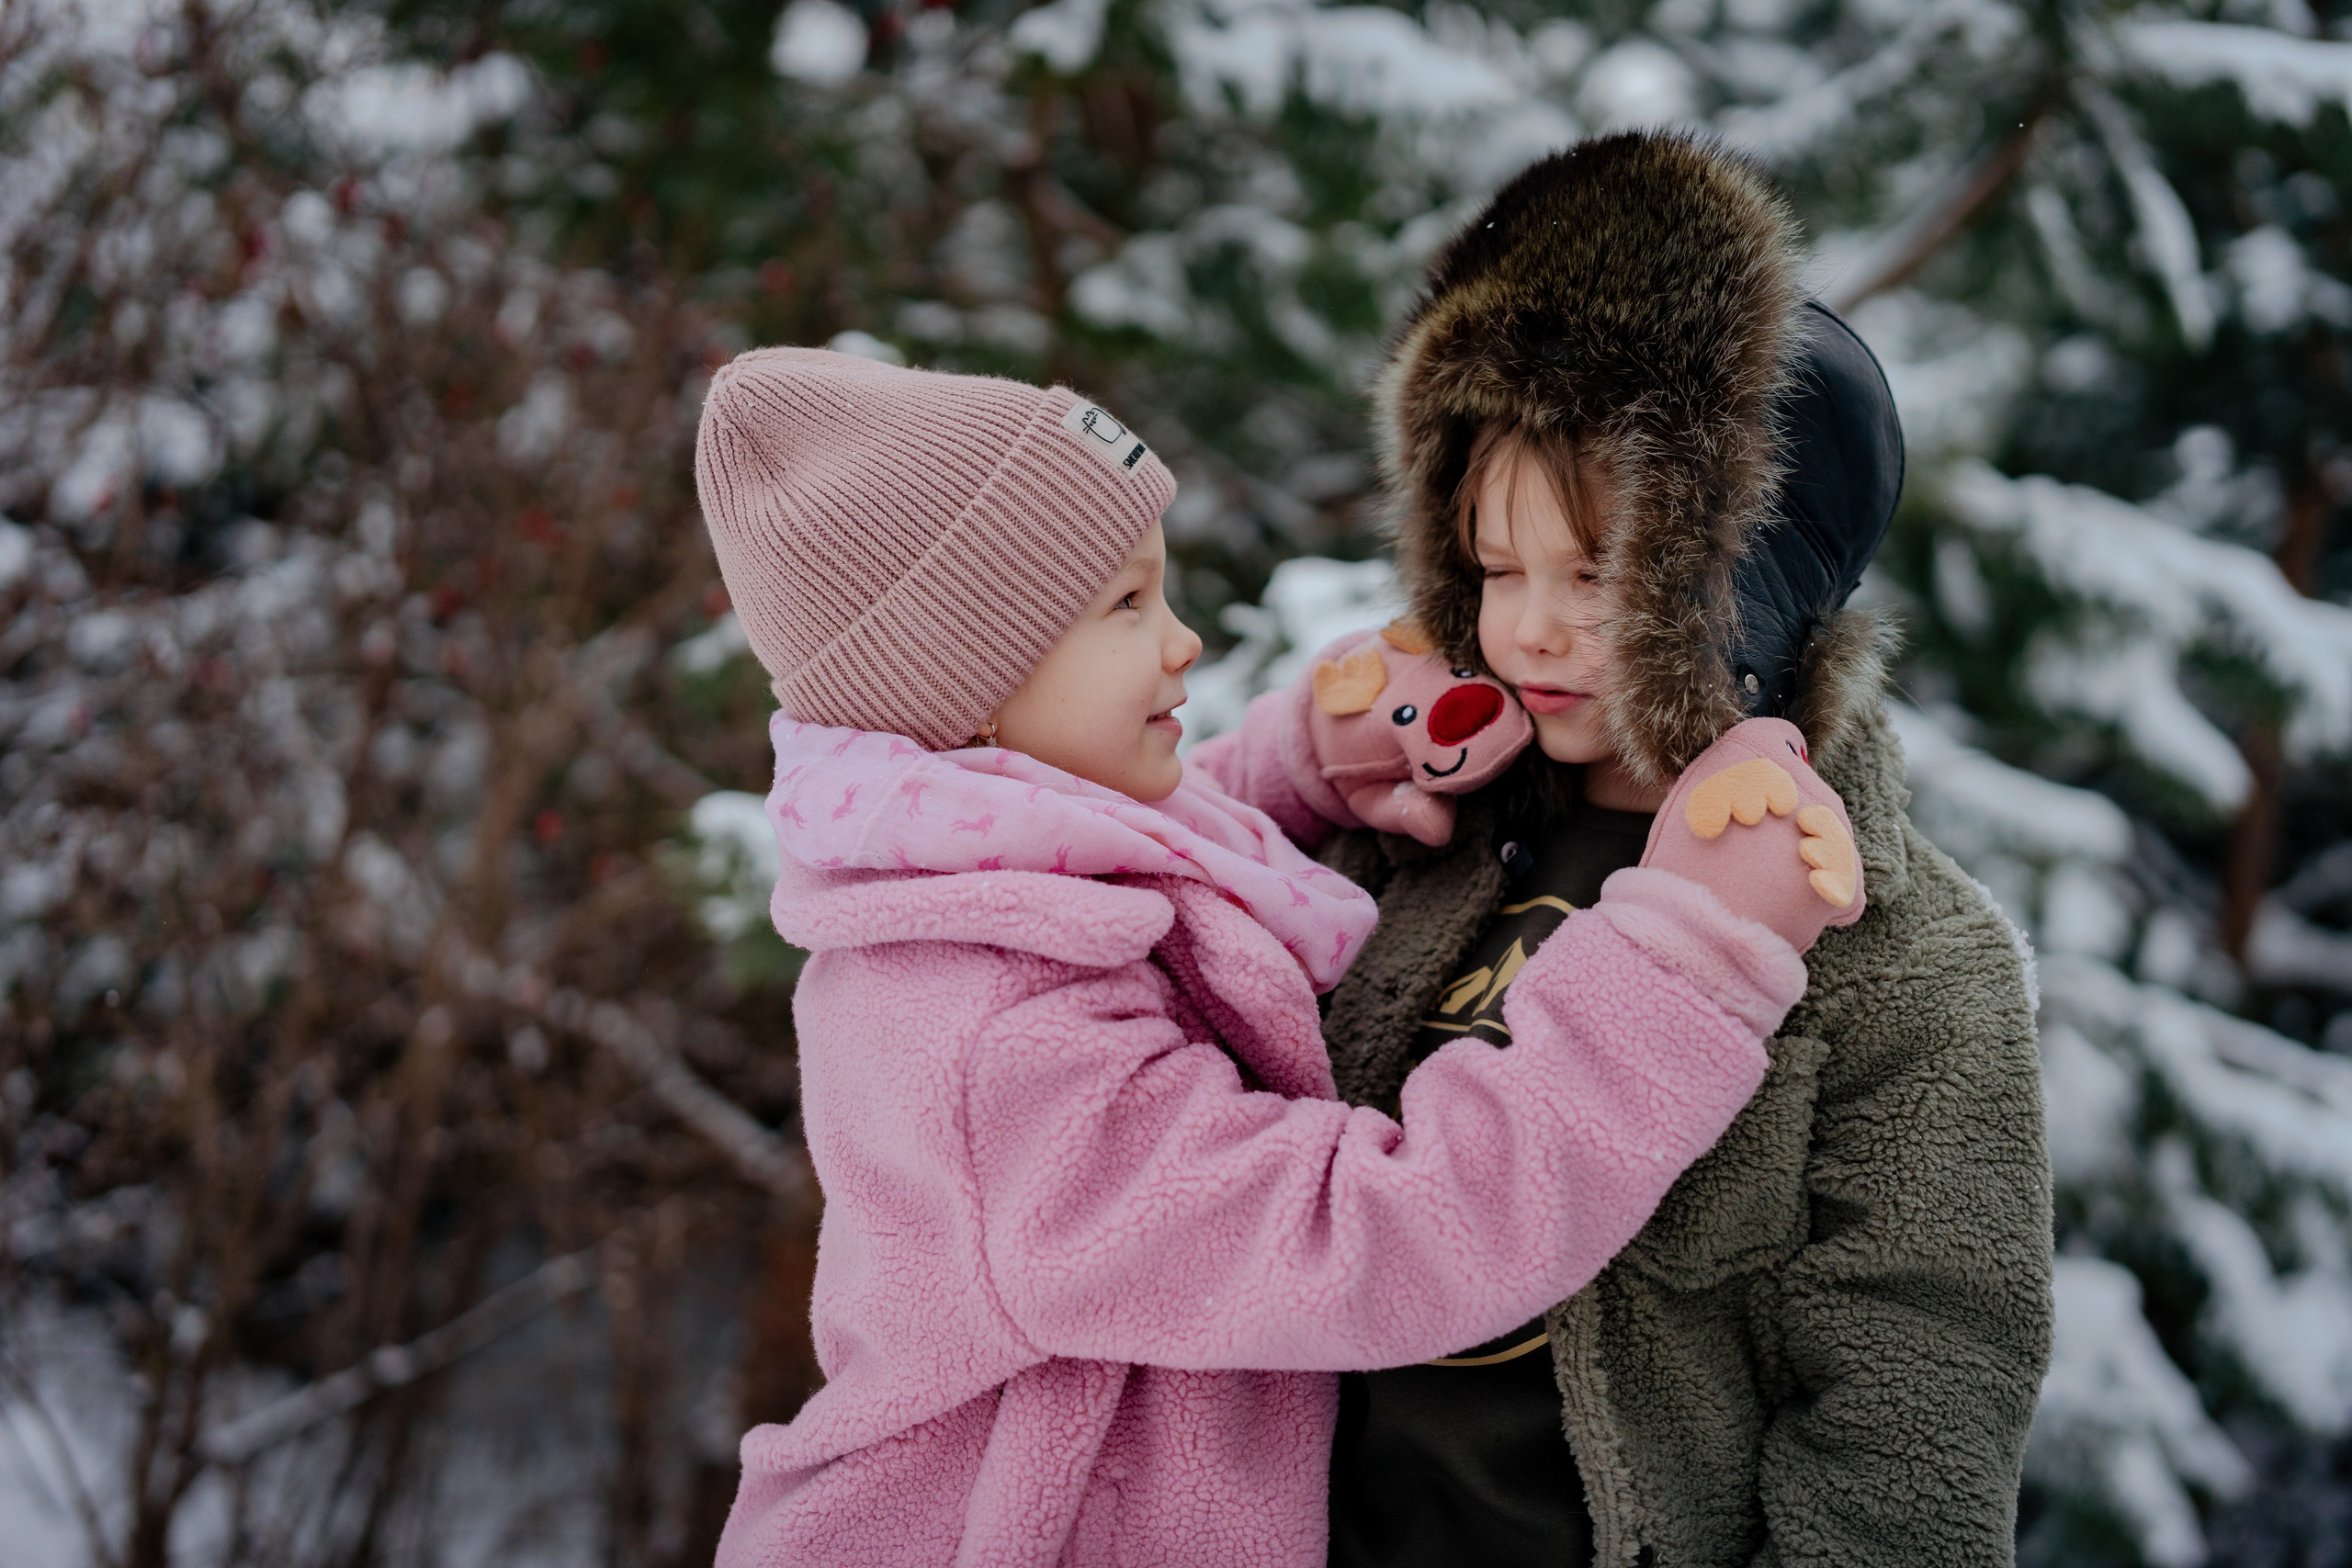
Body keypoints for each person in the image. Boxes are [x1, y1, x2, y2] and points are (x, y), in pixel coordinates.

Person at [693, 344, 1861, 1567]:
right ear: (970, 681)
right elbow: (1390, 1232)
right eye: (1125, 607)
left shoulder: (965, 858)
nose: (1183, 641)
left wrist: (1317, 758)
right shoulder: (989, 1046)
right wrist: (1690, 958)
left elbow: (1148, 858)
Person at [1195, 131, 2055, 1568]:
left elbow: (1917, 1408)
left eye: (1597, 574)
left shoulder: (1901, 955)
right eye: (1494, 565)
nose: (1529, 626)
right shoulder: (1410, 842)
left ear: (1745, 585)